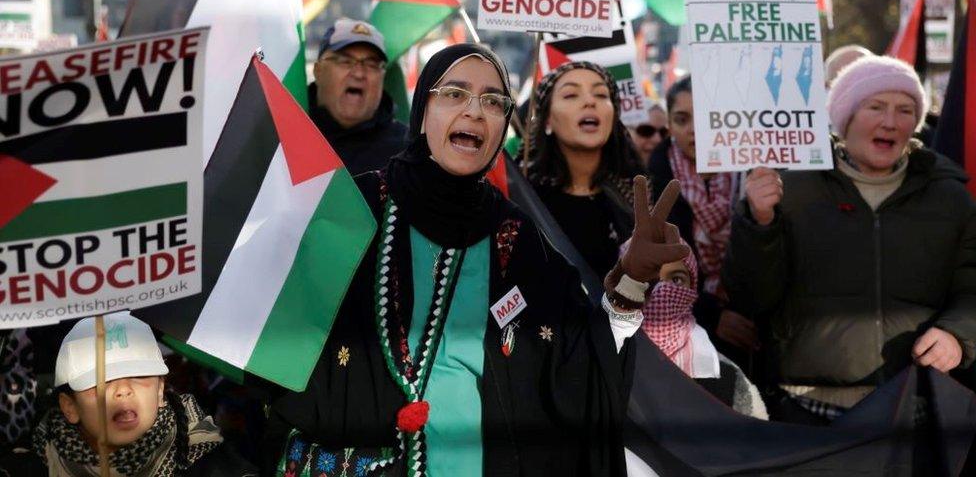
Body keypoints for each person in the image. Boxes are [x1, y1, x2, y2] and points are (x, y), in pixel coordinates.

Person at [262, 44, 690, 476]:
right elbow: (273, 343)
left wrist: (632, 283)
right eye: (454, 94)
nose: (475, 111)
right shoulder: (353, 211)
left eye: (492, 101)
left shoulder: (519, 239)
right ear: (423, 109)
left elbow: (580, 362)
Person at [725, 56, 976, 422]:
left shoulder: (950, 198)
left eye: (905, 110)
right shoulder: (788, 190)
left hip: (913, 406)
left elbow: (971, 288)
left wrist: (958, 335)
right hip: (807, 409)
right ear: (845, 118)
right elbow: (752, 298)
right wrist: (759, 223)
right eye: (875, 107)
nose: (890, 122)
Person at [7, 312, 255, 476]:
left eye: (139, 375)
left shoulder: (217, 468)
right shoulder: (25, 469)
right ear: (69, 407)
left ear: (160, 391)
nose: (123, 390)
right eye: (100, 380)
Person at [647, 76, 759, 356]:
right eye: (682, 119)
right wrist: (710, 314)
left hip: (751, 323)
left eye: (706, 118)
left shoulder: (754, 173)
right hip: (684, 334)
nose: (694, 130)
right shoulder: (652, 182)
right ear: (669, 125)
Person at [521, 61, 646, 279]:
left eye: (600, 95)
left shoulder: (645, 197)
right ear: (547, 120)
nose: (589, 102)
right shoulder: (524, 202)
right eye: (571, 95)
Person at [637, 245, 767, 419]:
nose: (663, 293)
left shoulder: (730, 383)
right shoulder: (611, 374)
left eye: (675, 281)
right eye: (649, 281)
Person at [308, 18, 408, 175]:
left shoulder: (407, 152)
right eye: (345, 61)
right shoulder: (284, 141)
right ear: (318, 71)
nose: (359, 73)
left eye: (371, 64)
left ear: (383, 76)